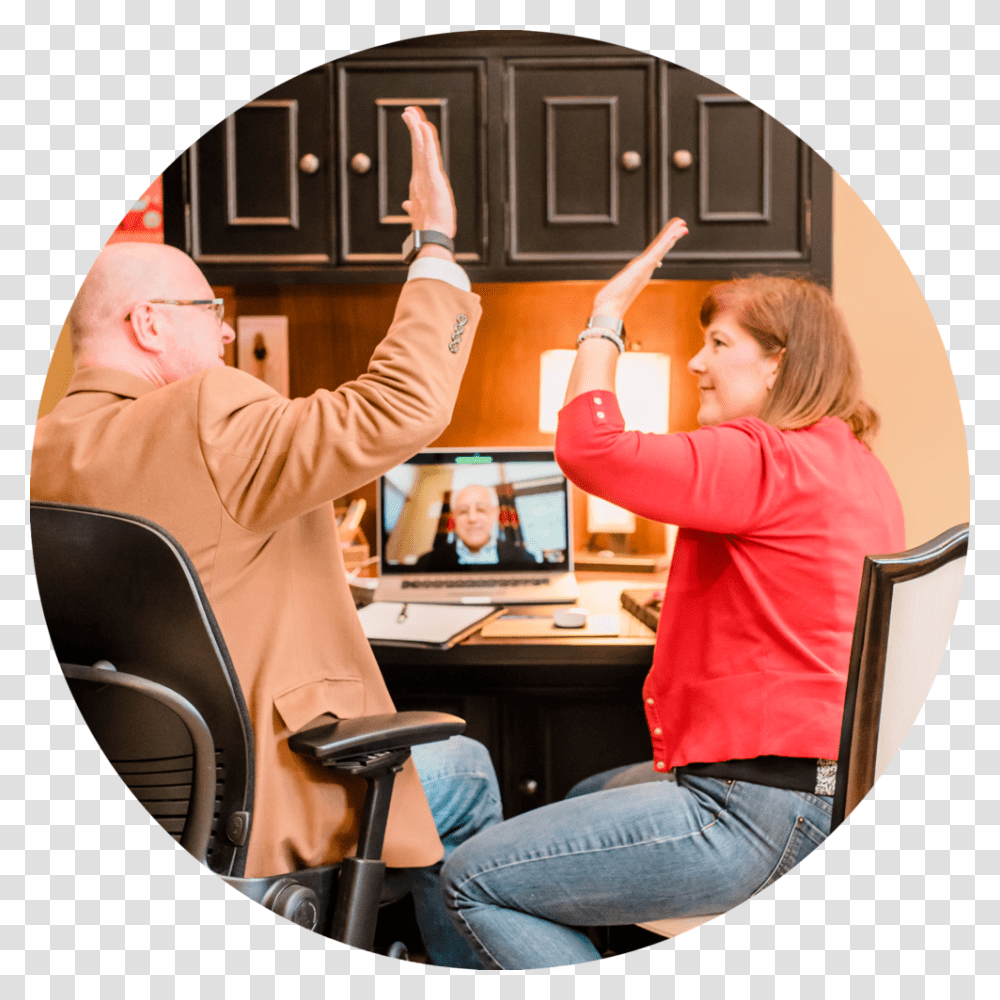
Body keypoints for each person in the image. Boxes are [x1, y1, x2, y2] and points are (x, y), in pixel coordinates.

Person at [30, 107, 502, 968]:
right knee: (465, 767)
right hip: (271, 811)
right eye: (209, 310)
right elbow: (398, 407)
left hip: (153, 804)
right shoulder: (207, 411)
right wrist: (434, 243)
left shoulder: (39, 451)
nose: (222, 330)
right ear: (148, 325)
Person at [439, 219, 905, 970]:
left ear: (779, 366)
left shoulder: (763, 455)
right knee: (587, 786)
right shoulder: (849, 458)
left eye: (718, 345)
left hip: (755, 811)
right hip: (821, 791)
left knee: (472, 880)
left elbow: (591, 448)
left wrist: (605, 319)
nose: (695, 363)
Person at [415, 483, 539, 568]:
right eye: (463, 511)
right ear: (453, 518)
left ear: (495, 514)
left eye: (481, 510)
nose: (472, 518)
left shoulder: (526, 560)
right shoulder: (426, 563)